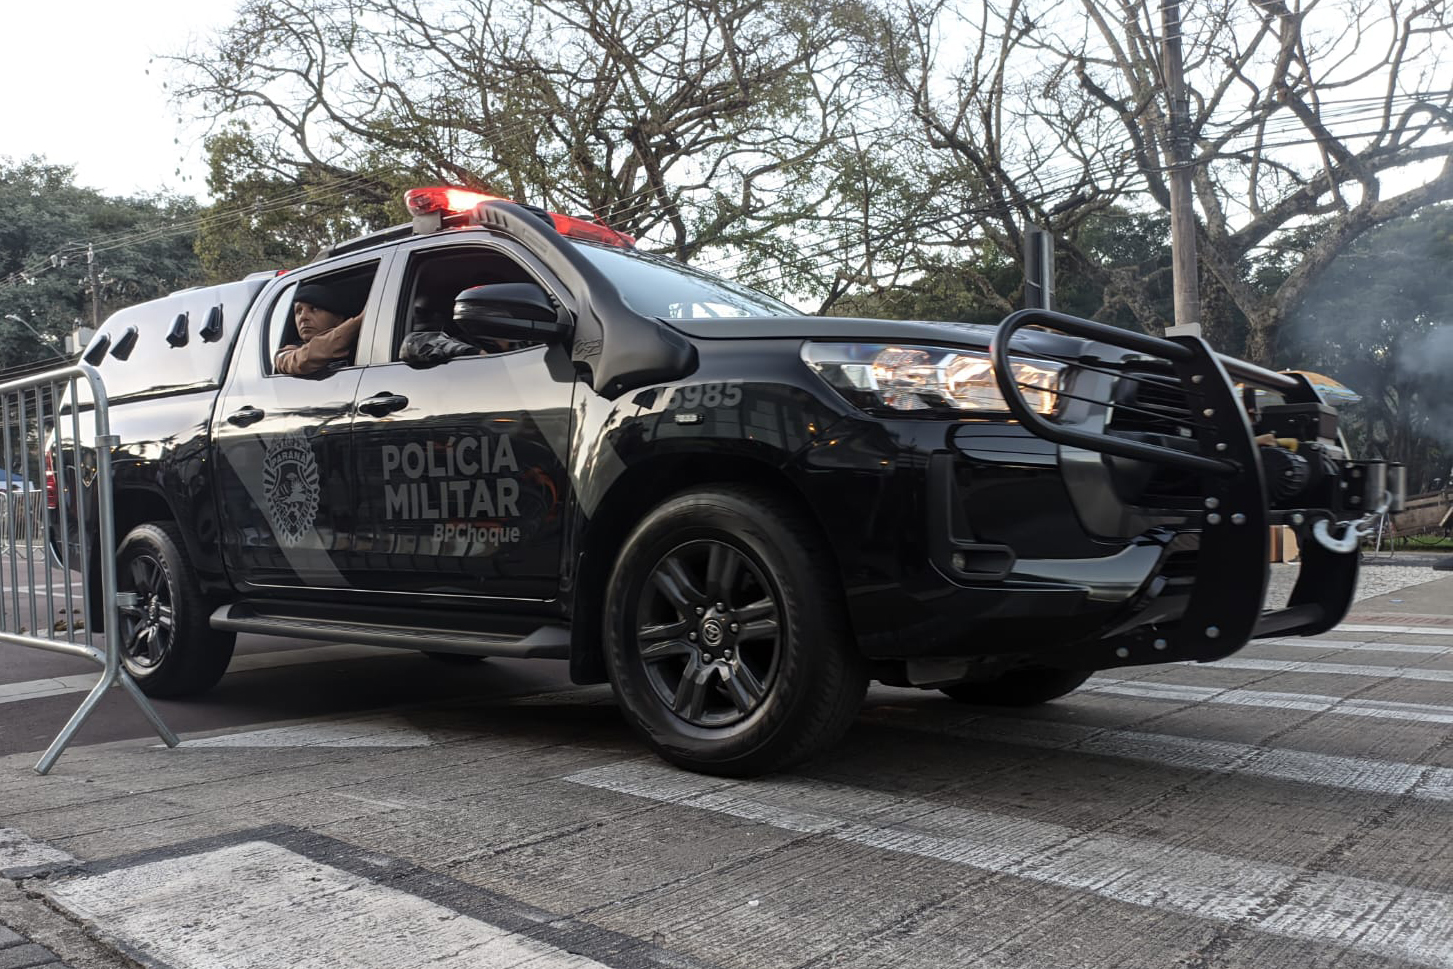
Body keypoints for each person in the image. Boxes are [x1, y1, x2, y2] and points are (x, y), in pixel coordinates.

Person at [274, 282, 364, 375]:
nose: (303, 317)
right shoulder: (285, 354)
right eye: (299, 311)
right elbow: (301, 360)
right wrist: (360, 321)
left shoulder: (364, 343)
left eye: (314, 309)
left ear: (338, 319)